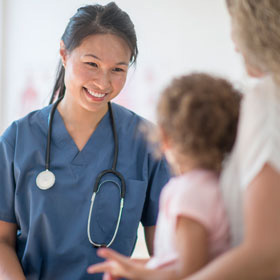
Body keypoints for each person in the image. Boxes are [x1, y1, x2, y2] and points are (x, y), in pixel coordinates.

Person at [89, 1, 280, 279]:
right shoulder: (212, 186)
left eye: (118, 68)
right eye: (92, 63)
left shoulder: (266, 101)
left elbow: (197, 266)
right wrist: (145, 269)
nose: (236, 46)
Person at [0, 2, 170, 279]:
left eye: (118, 69)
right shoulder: (18, 140)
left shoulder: (146, 143)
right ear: (64, 54)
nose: (103, 83)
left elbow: (164, 252)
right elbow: (2, 241)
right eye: (91, 64)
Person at [87, 73, 241, 279]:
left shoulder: (189, 194)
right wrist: (134, 266)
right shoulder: (222, 185)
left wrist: (141, 275)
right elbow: (181, 260)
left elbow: (190, 273)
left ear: (164, 137)